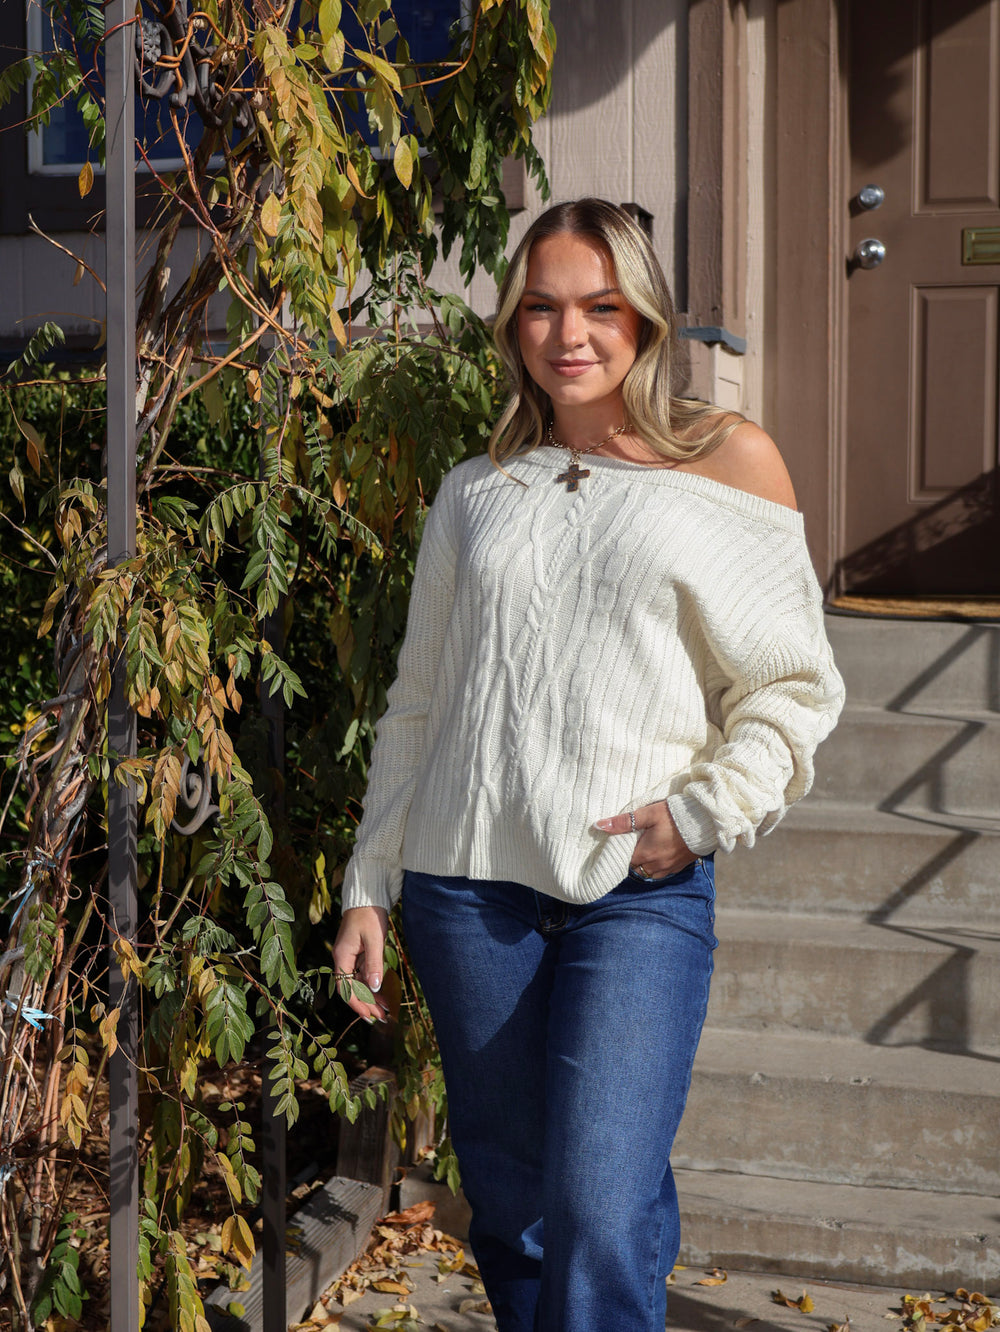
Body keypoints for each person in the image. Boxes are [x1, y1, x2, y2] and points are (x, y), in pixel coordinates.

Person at [332, 198, 845, 1332]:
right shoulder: (477, 490)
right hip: (467, 892)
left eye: (600, 306)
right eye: (542, 308)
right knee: (514, 1207)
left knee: (601, 1205)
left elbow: (791, 686)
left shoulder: (729, 460)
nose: (570, 334)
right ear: (513, 323)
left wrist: (702, 814)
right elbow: (420, 701)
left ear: (645, 318)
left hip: (637, 890)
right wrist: (370, 879)